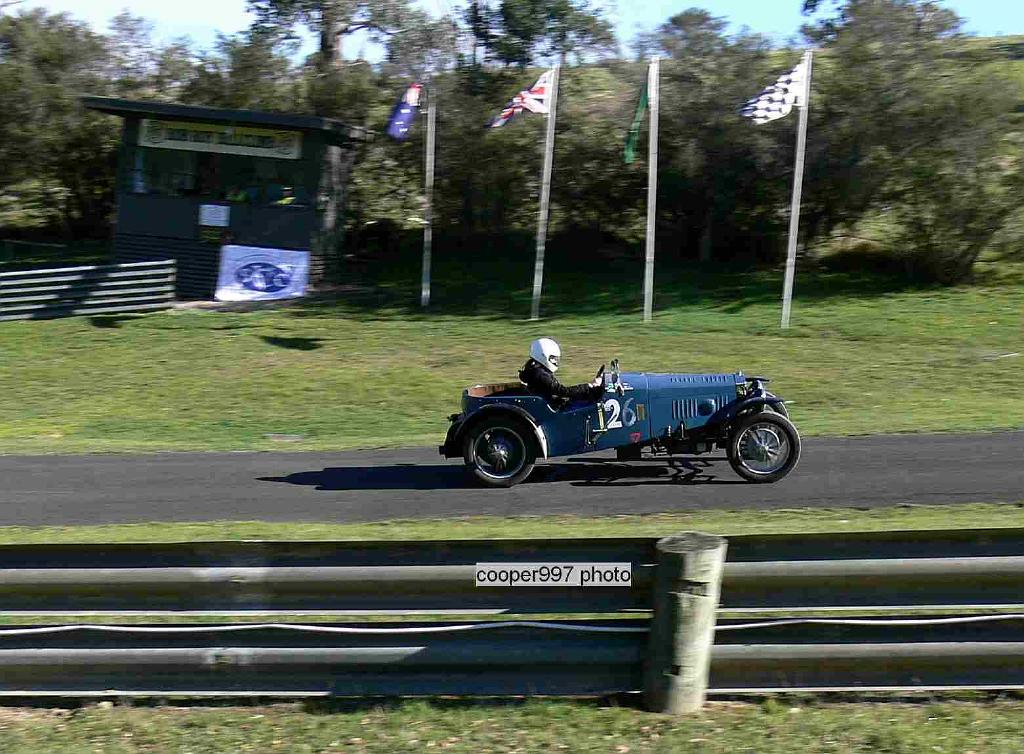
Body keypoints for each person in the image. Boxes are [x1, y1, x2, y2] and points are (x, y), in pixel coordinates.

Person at [519, 338, 604, 404]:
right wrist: (589, 386)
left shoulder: (535, 370)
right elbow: (563, 391)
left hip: (548, 403)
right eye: (553, 358)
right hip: (549, 408)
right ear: (543, 356)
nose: (555, 361)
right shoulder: (540, 374)